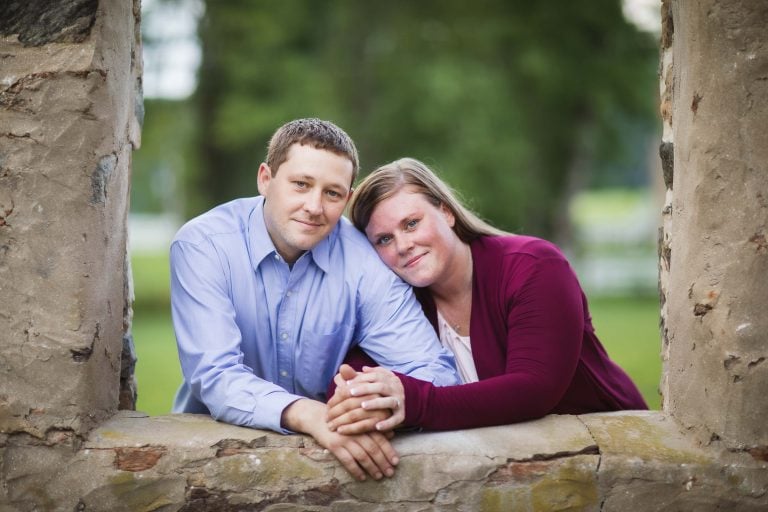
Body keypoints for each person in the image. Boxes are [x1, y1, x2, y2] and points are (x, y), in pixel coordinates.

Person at [170, 120, 460, 481]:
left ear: (347, 199)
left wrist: (380, 404)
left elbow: (436, 372)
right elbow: (214, 375)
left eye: (332, 194)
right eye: (301, 185)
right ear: (265, 179)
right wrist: (308, 414)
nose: (314, 207)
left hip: (332, 465)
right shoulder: (203, 245)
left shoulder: (365, 261)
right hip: (206, 463)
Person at [326, 157, 648, 435]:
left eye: (411, 224)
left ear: (447, 212)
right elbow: (353, 378)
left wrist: (414, 402)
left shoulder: (533, 266)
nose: (402, 245)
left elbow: (534, 389)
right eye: (383, 239)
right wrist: (356, 398)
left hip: (614, 447)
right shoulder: (400, 302)